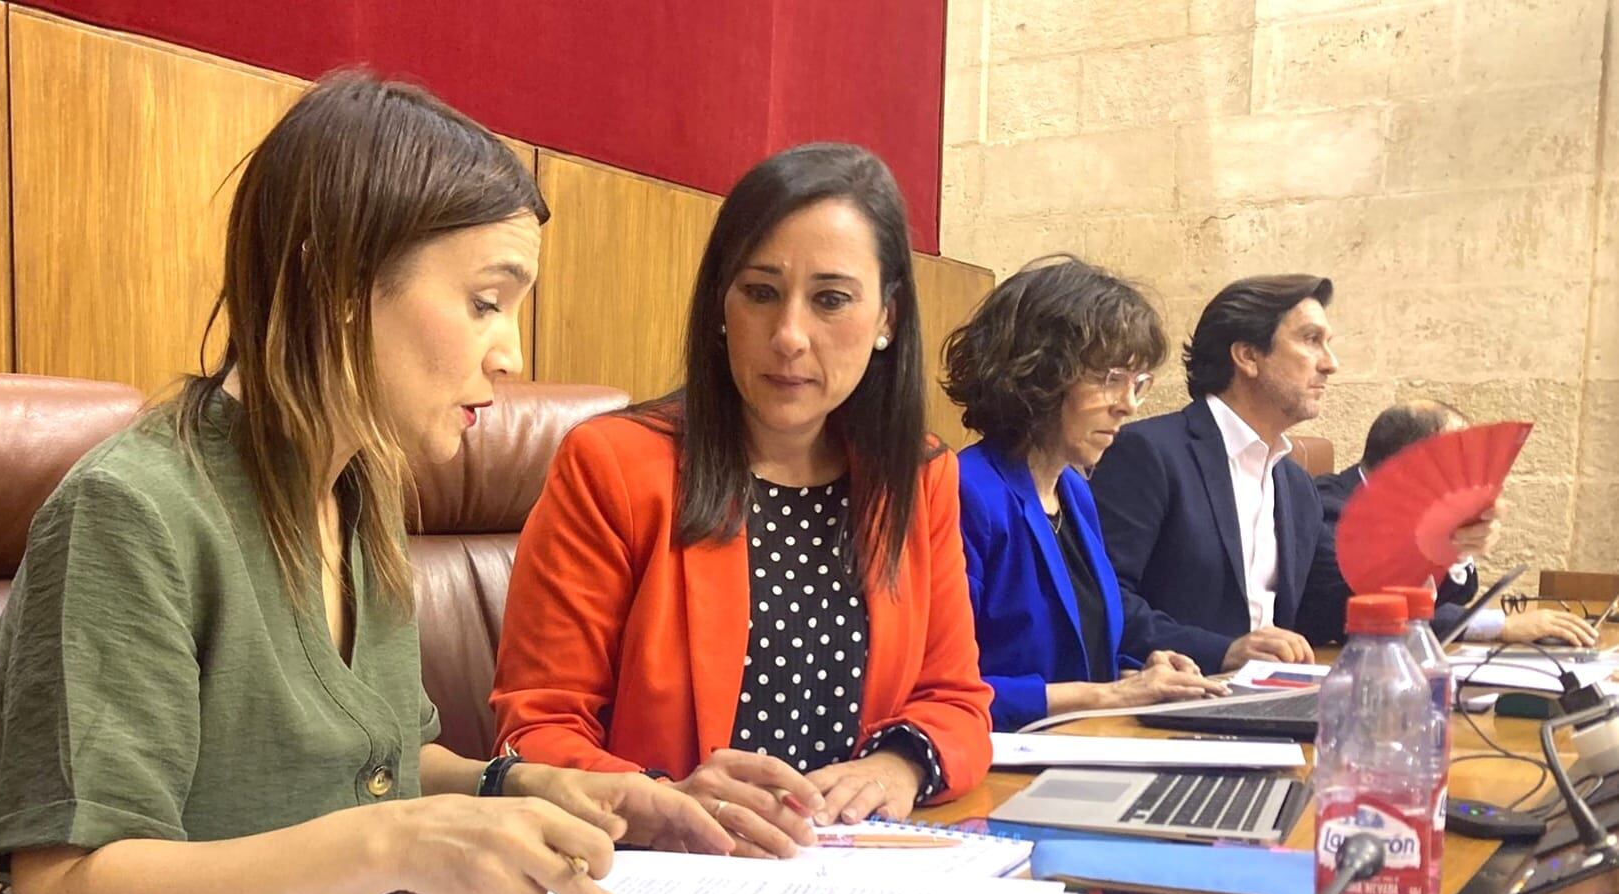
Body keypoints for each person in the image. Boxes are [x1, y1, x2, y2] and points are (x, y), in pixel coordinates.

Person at [0, 75, 740, 894]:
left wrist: (539, 785)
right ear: (336, 280)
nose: (513, 353)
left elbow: (370, 760)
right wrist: (394, 843)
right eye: (484, 302)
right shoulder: (133, 511)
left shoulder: (363, 500)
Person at [492, 143, 992, 833]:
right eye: (760, 292)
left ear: (888, 319)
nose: (789, 334)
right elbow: (536, 732)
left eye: (831, 300)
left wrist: (898, 765)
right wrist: (666, 802)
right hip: (664, 878)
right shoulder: (612, 466)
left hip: (852, 875)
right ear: (722, 304)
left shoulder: (917, 477)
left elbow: (956, 701)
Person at [945, 256, 1226, 730]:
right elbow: (950, 692)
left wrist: (1144, 670)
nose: (1129, 405)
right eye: (1109, 379)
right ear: (1039, 375)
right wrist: (1110, 694)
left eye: (1137, 382)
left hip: (1083, 751)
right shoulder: (965, 491)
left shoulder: (1073, 489)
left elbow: (1082, 649)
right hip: (996, 769)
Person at [1088, 274, 1344, 673]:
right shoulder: (1148, 453)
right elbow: (1104, 600)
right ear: (1247, 356)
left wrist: (1437, 552)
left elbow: (1324, 608)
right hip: (1168, 702)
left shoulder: (1295, 485)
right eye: (1311, 340)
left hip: (1265, 699)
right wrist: (1223, 651)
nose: (1330, 363)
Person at [1302, 399, 1594, 646]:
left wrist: (1457, 545)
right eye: (1458, 459)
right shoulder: (1328, 506)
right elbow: (1360, 608)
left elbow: (1458, 594)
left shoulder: (1415, 515)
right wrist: (1500, 626)